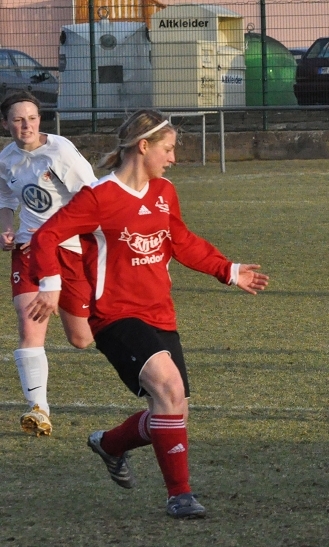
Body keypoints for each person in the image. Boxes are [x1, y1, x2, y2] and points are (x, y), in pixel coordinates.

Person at [25, 110, 269, 518]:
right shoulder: (99, 196)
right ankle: (180, 496)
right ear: (144, 147)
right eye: (168, 149)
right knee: (168, 389)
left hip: (160, 312)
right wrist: (50, 284)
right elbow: (46, 236)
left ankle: (110, 444)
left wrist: (227, 270)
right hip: (115, 315)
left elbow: (180, 239)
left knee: (173, 409)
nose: (173, 158)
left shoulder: (164, 191)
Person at [0, 91, 95, 437]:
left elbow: (92, 198)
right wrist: (6, 228)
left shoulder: (60, 152)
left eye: (32, 118)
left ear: (40, 120)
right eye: (18, 119)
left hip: (70, 251)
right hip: (28, 250)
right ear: (5, 123)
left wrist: (55, 235)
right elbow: (5, 197)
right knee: (29, 326)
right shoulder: (6, 158)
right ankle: (38, 408)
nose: (26, 125)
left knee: (81, 338)